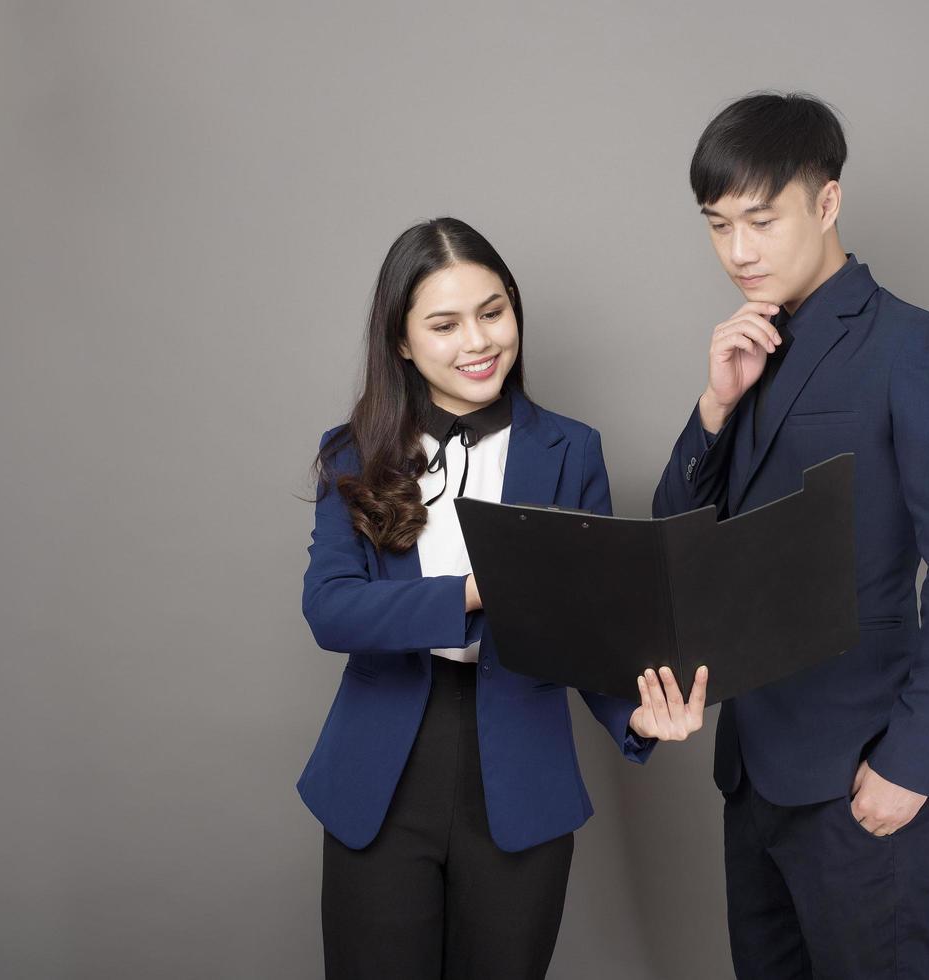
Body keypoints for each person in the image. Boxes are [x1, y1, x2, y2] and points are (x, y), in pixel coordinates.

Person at [652, 93, 929, 979]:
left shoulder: (913, 348)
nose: (737, 251)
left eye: (760, 220)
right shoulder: (749, 348)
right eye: (717, 226)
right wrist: (714, 407)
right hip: (753, 769)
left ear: (825, 202)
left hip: (863, 768)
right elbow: (676, 541)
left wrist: (913, 762)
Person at [299, 217, 706, 979]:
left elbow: (589, 625)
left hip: (520, 773)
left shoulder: (570, 450)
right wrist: (475, 593)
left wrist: (636, 714)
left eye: (493, 311)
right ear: (401, 341)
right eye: (445, 323)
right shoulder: (350, 451)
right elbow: (330, 609)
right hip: (381, 773)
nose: (478, 341)